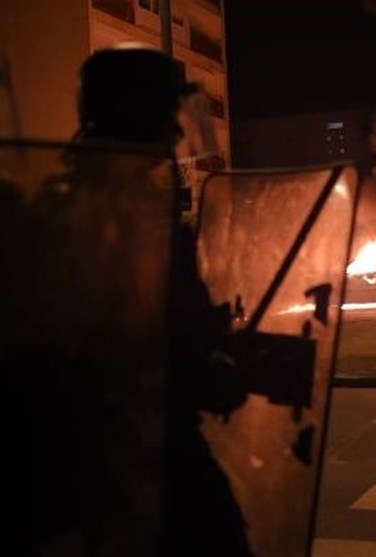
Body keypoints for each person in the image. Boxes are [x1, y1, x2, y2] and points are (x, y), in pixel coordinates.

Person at [6, 45, 252, 556]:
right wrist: (216, 366)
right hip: (105, 462)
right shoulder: (100, 226)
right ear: (137, 120)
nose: (179, 135)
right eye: (168, 117)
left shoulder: (53, 212)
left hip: (88, 462)